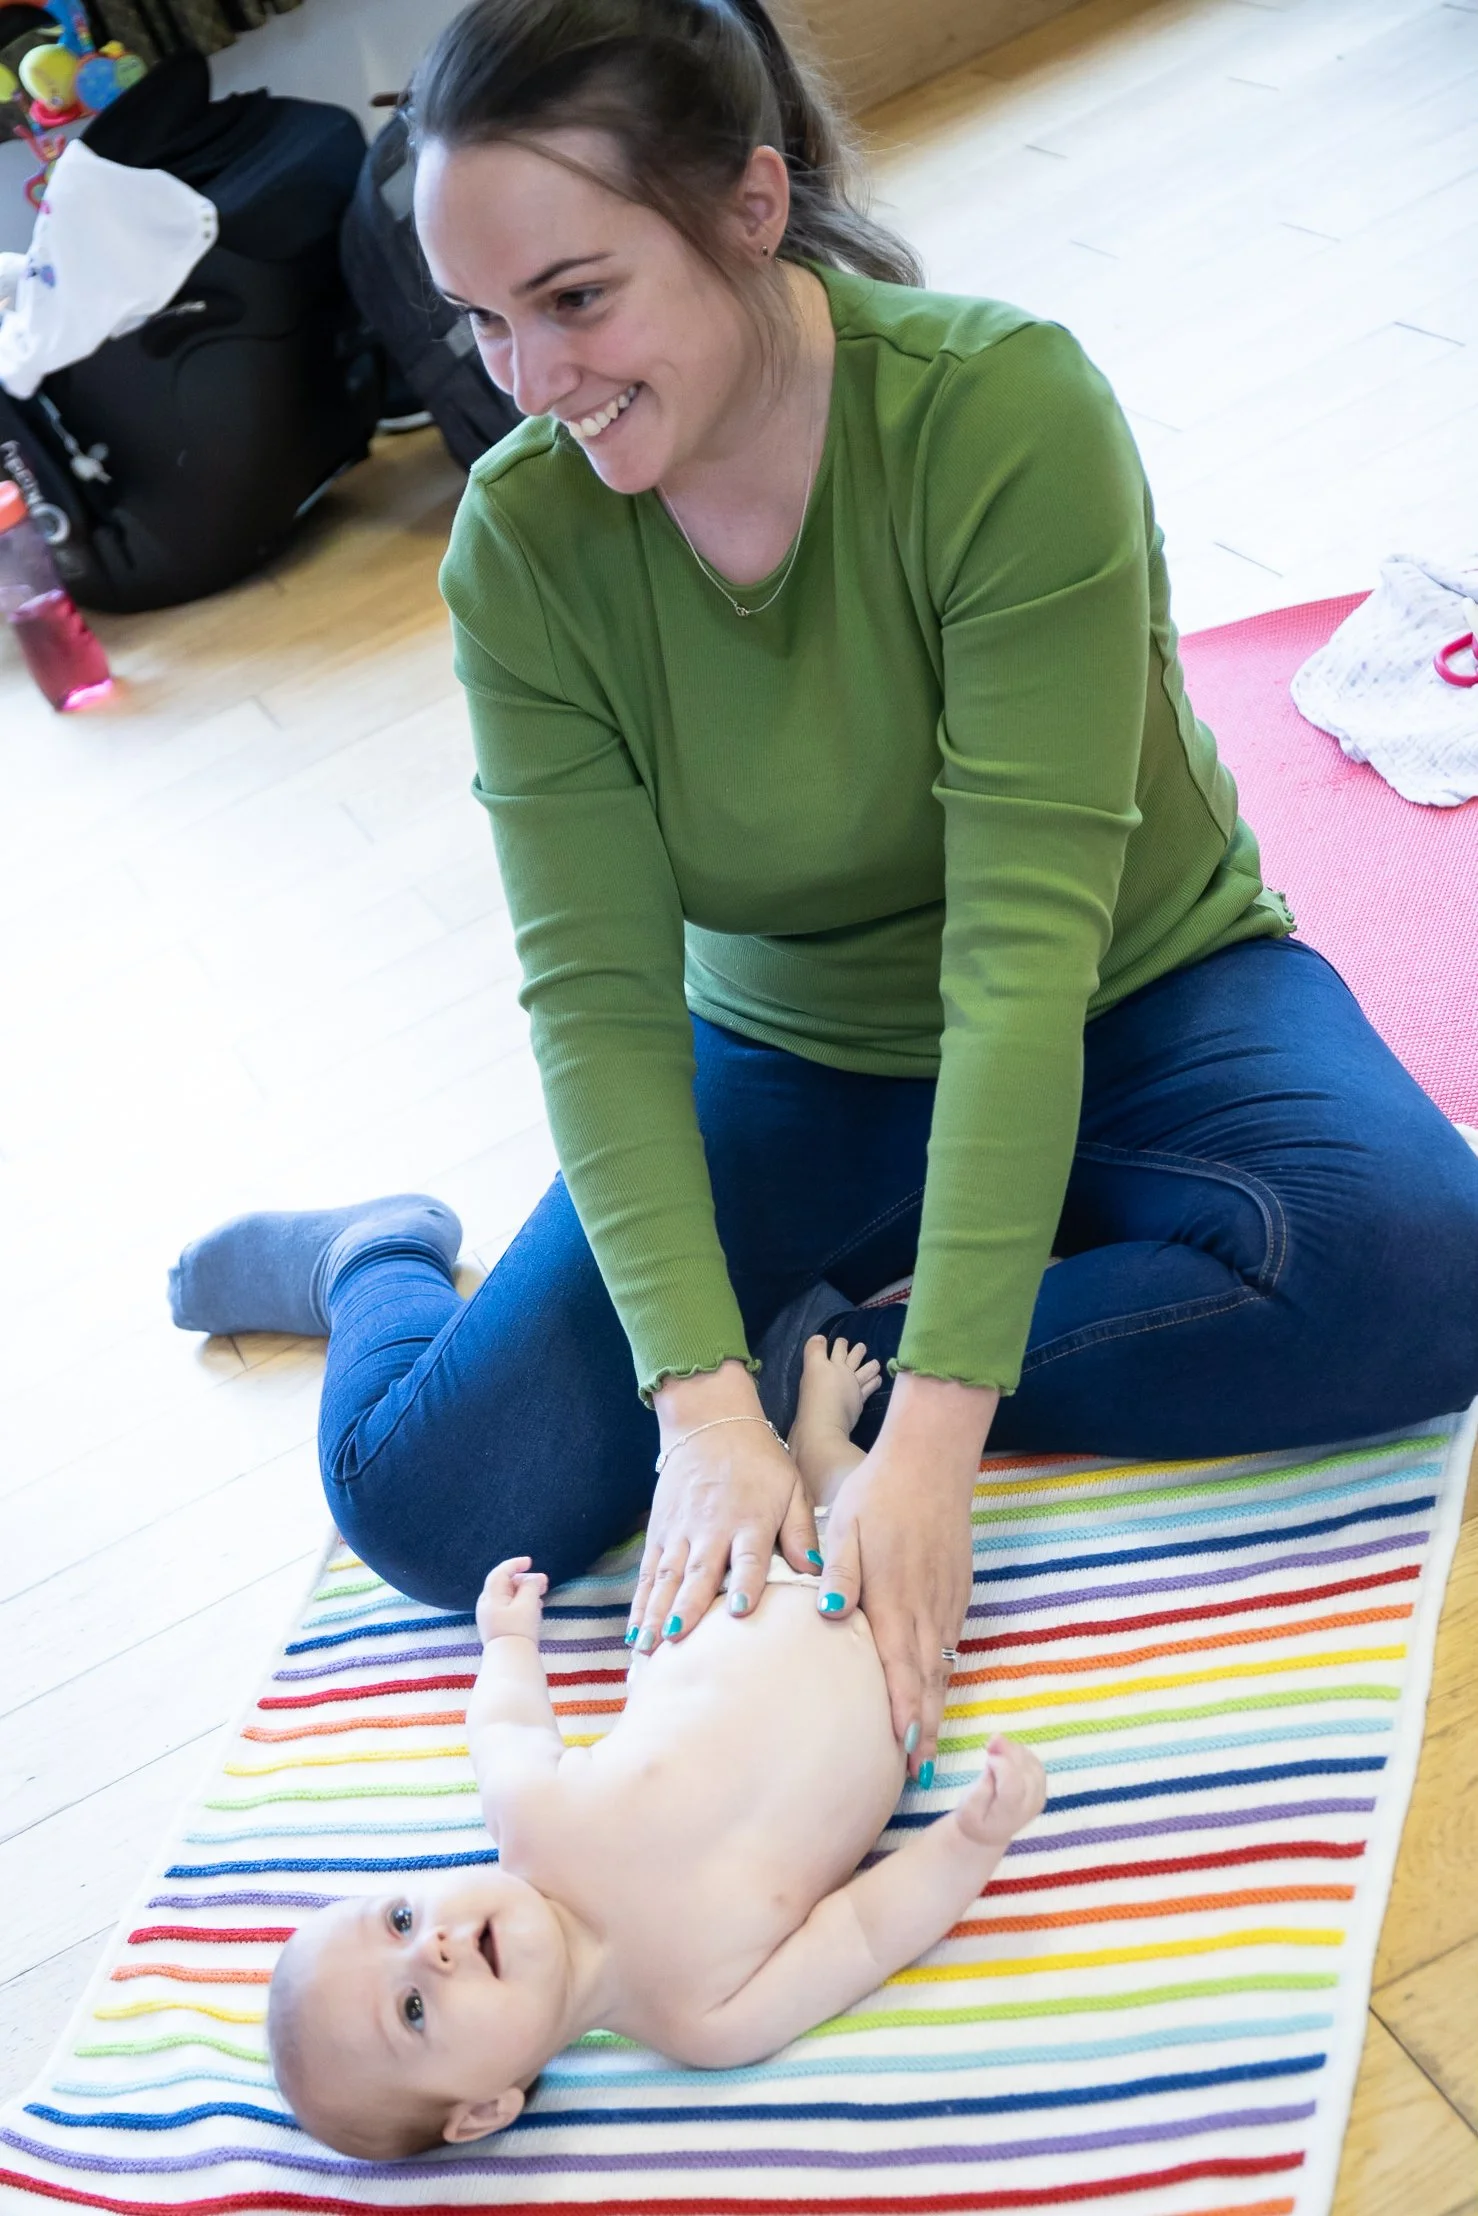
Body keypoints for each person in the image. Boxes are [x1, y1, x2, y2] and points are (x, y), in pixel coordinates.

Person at [168, 0, 1478, 1801]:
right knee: (435, 1502)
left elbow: (1022, 962)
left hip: (1135, 990)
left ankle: (854, 1329)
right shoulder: (526, 548)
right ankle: (377, 1253)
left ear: (751, 201)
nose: (524, 382)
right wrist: (704, 1409)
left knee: (1419, 1271)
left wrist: (929, 1426)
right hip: (794, 1045)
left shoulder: (1000, 409)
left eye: (573, 298)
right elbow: (600, 1000)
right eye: (476, 322)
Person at [265, 1335, 1047, 2156]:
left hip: (749, 1578)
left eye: (399, 1919)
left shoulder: (532, 1819)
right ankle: (823, 1447)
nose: (436, 1946)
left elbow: (505, 1726)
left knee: (824, 1507)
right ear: (483, 2111)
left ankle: (811, 1440)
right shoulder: (708, 2019)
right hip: (899, 1635)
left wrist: (505, 1641)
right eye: (413, 2009)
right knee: (876, 1512)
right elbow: (863, 1931)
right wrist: (971, 1840)